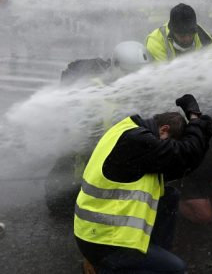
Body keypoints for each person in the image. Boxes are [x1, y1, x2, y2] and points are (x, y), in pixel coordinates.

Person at [74, 94, 212, 273]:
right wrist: (194, 117)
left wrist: (201, 129)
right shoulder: (137, 142)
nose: (170, 149)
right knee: (176, 269)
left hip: (97, 232)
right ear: (164, 130)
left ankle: (151, 253)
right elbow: (183, 155)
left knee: (169, 196)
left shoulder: (131, 131)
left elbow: (184, 164)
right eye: (172, 143)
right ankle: (103, 266)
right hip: (104, 242)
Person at [46, 41, 151, 216]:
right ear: (117, 68)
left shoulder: (140, 91)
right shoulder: (92, 94)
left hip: (111, 163)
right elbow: (78, 142)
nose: (137, 80)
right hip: (86, 166)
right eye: (132, 75)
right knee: (61, 205)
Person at [145, 3, 212, 62]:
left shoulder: (203, 37)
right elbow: (163, 75)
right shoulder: (155, 41)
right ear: (172, 31)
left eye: (191, 34)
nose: (187, 39)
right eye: (182, 36)